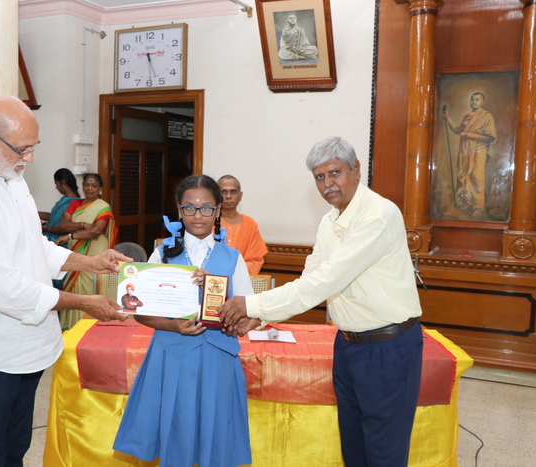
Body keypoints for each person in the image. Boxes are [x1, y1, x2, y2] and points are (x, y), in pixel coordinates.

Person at [0, 95, 131, 467]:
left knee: (15, 449)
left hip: (28, 346)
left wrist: (92, 263)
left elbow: (33, 245)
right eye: (23, 149)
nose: (30, 159)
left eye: (34, 147)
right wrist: (87, 303)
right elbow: (5, 289)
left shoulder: (10, 177)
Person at [221, 137, 423, 467]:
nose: (327, 183)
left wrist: (252, 306)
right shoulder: (330, 220)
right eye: (319, 176)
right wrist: (258, 318)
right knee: (354, 447)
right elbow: (311, 277)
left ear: (356, 169)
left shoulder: (378, 215)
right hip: (348, 345)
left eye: (335, 173)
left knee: (384, 453)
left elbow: (324, 282)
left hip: (387, 347)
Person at [113, 174, 254, 467]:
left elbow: (247, 312)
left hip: (217, 356)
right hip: (171, 355)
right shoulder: (162, 254)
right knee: (176, 428)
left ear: (218, 210)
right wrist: (172, 325)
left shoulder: (233, 258)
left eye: (206, 208)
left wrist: (216, 289)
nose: (197, 215)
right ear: (179, 210)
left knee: (215, 431)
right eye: (189, 207)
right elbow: (140, 310)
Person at [55, 172, 117, 330]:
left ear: (100, 189)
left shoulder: (103, 207)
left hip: (95, 252)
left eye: (94, 186)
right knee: (75, 290)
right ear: (82, 186)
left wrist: (71, 235)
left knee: (92, 287)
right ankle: (73, 328)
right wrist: (82, 225)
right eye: (87, 185)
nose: (90, 188)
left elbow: (96, 231)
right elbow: (62, 225)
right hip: (76, 252)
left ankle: (91, 327)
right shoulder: (75, 204)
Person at [442, 92, 497, 217]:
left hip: (478, 150)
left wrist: (468, 135)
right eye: (472, 99)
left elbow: (489, 137)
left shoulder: (487, 117)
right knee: (462, 175)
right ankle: (466, 203)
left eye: (477, 99)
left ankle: (479, 206)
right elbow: (458, 131)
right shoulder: (467, 116)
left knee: (476, 177)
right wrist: (448, 118)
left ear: (482, 102)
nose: (474, 102)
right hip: (465, 150)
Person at [218, 174, 268, 275]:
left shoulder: (250, 224)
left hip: (242, 279)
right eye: (224, 192)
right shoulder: (208, 222)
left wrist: (233, 270)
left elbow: (255, 261)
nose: (228, 196)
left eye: (233, 192)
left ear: (240, 196)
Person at [39, 168, 80, 242]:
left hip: (58, 241)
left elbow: (63, 227)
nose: (56, 187)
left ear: (63, 183)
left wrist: (44, 228)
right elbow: (54, 217)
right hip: (49, 236)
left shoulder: (74, 203)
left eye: (56, 184)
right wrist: (34, 213)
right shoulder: (65, 199)